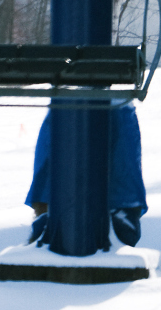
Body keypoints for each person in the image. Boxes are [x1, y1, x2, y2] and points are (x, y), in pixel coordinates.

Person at [23, 101, 148, 249]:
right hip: (108, 103)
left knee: (62, 127)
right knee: (121, 159)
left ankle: (47, 217)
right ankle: (121, 220)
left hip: (69, 103)